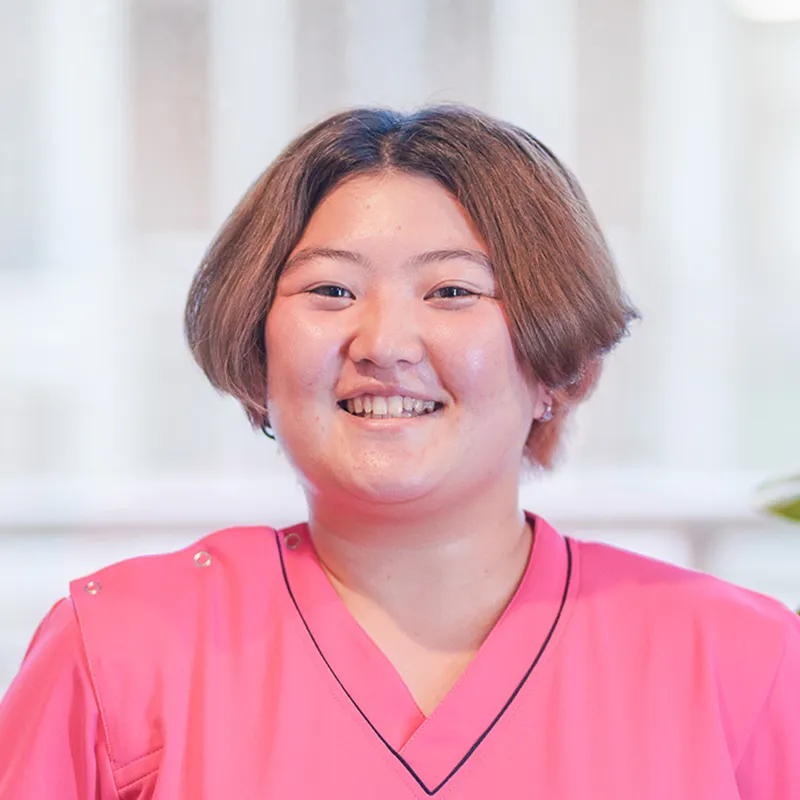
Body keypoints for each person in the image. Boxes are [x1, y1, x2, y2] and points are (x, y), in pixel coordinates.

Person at [0, 105, 797, 799]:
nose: (383, 344)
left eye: (452, 291)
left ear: (558, 364)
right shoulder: (113, 650)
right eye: (331, 291)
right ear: (257, 350)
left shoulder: (745, 662)